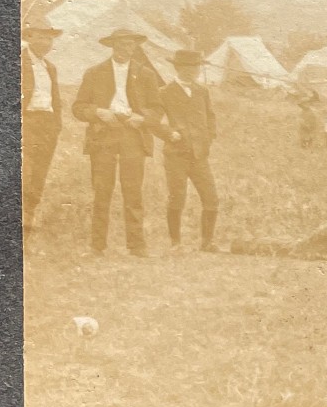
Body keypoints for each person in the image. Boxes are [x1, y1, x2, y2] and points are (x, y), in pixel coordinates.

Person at [71, 26, 165, 255]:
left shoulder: (146, 74)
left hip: (133, 136)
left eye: (131, 44)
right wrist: (97, 112)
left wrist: (141, 119)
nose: (127, 48)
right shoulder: (94, 73)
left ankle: (137, 246)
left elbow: (157, 109)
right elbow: (78, 108)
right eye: (122, 43)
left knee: (133, 190)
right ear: (112, 45)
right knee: (102, 190)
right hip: (103, 135)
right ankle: (97, 246)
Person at [156, 49, 219, 250]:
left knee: (211, 197)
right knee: (177, 197)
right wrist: (168, 133)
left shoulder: (202, 91)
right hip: (176, 155)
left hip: (199, 155)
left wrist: (208, 138)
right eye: (188, 67)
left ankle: (207, 242)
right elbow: (153, 121)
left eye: (196, 67)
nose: (193, 71)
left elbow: (210, 117)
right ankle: (176, 243)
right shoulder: (164, 92)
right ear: (178, 68)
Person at [20, 19, 63, 237]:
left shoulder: (50, 67)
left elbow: (55, 99)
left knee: (39, 171)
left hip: (47, 125)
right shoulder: (18, 62)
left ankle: (29, 215)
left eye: (49, 38)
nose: (46, 42)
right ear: (29, 37)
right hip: (26, 121)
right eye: (41, 36)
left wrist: (56, 126)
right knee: (23, 170)